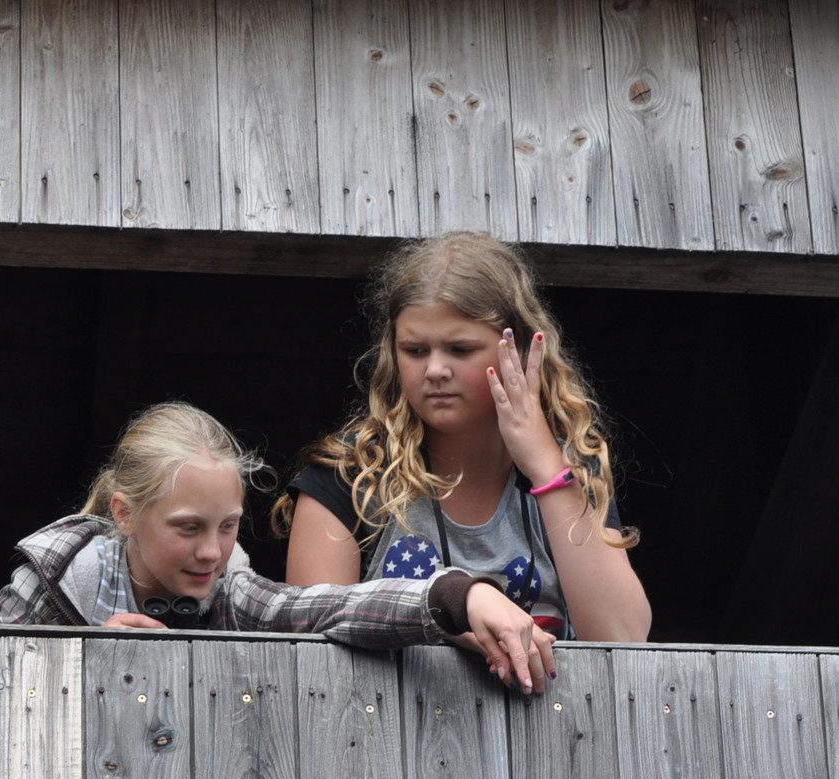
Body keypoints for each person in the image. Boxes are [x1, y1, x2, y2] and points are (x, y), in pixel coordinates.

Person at [0, 402, 555, 693]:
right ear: (124, 514)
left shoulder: (229, 593)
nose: (211, 552)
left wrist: (458, 596)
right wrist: (78, 657)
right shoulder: (55, 578)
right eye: (187, 527)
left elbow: (325, 606)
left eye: (227, 527)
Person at [276, 231, 650, 644]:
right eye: (415, 351)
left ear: (519, 348)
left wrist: (547, 466)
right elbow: (308, 643)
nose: (435, 369)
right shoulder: (349, 474)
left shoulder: (574, 468)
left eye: (460, 349)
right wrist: (451, 626)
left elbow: (623, 638)